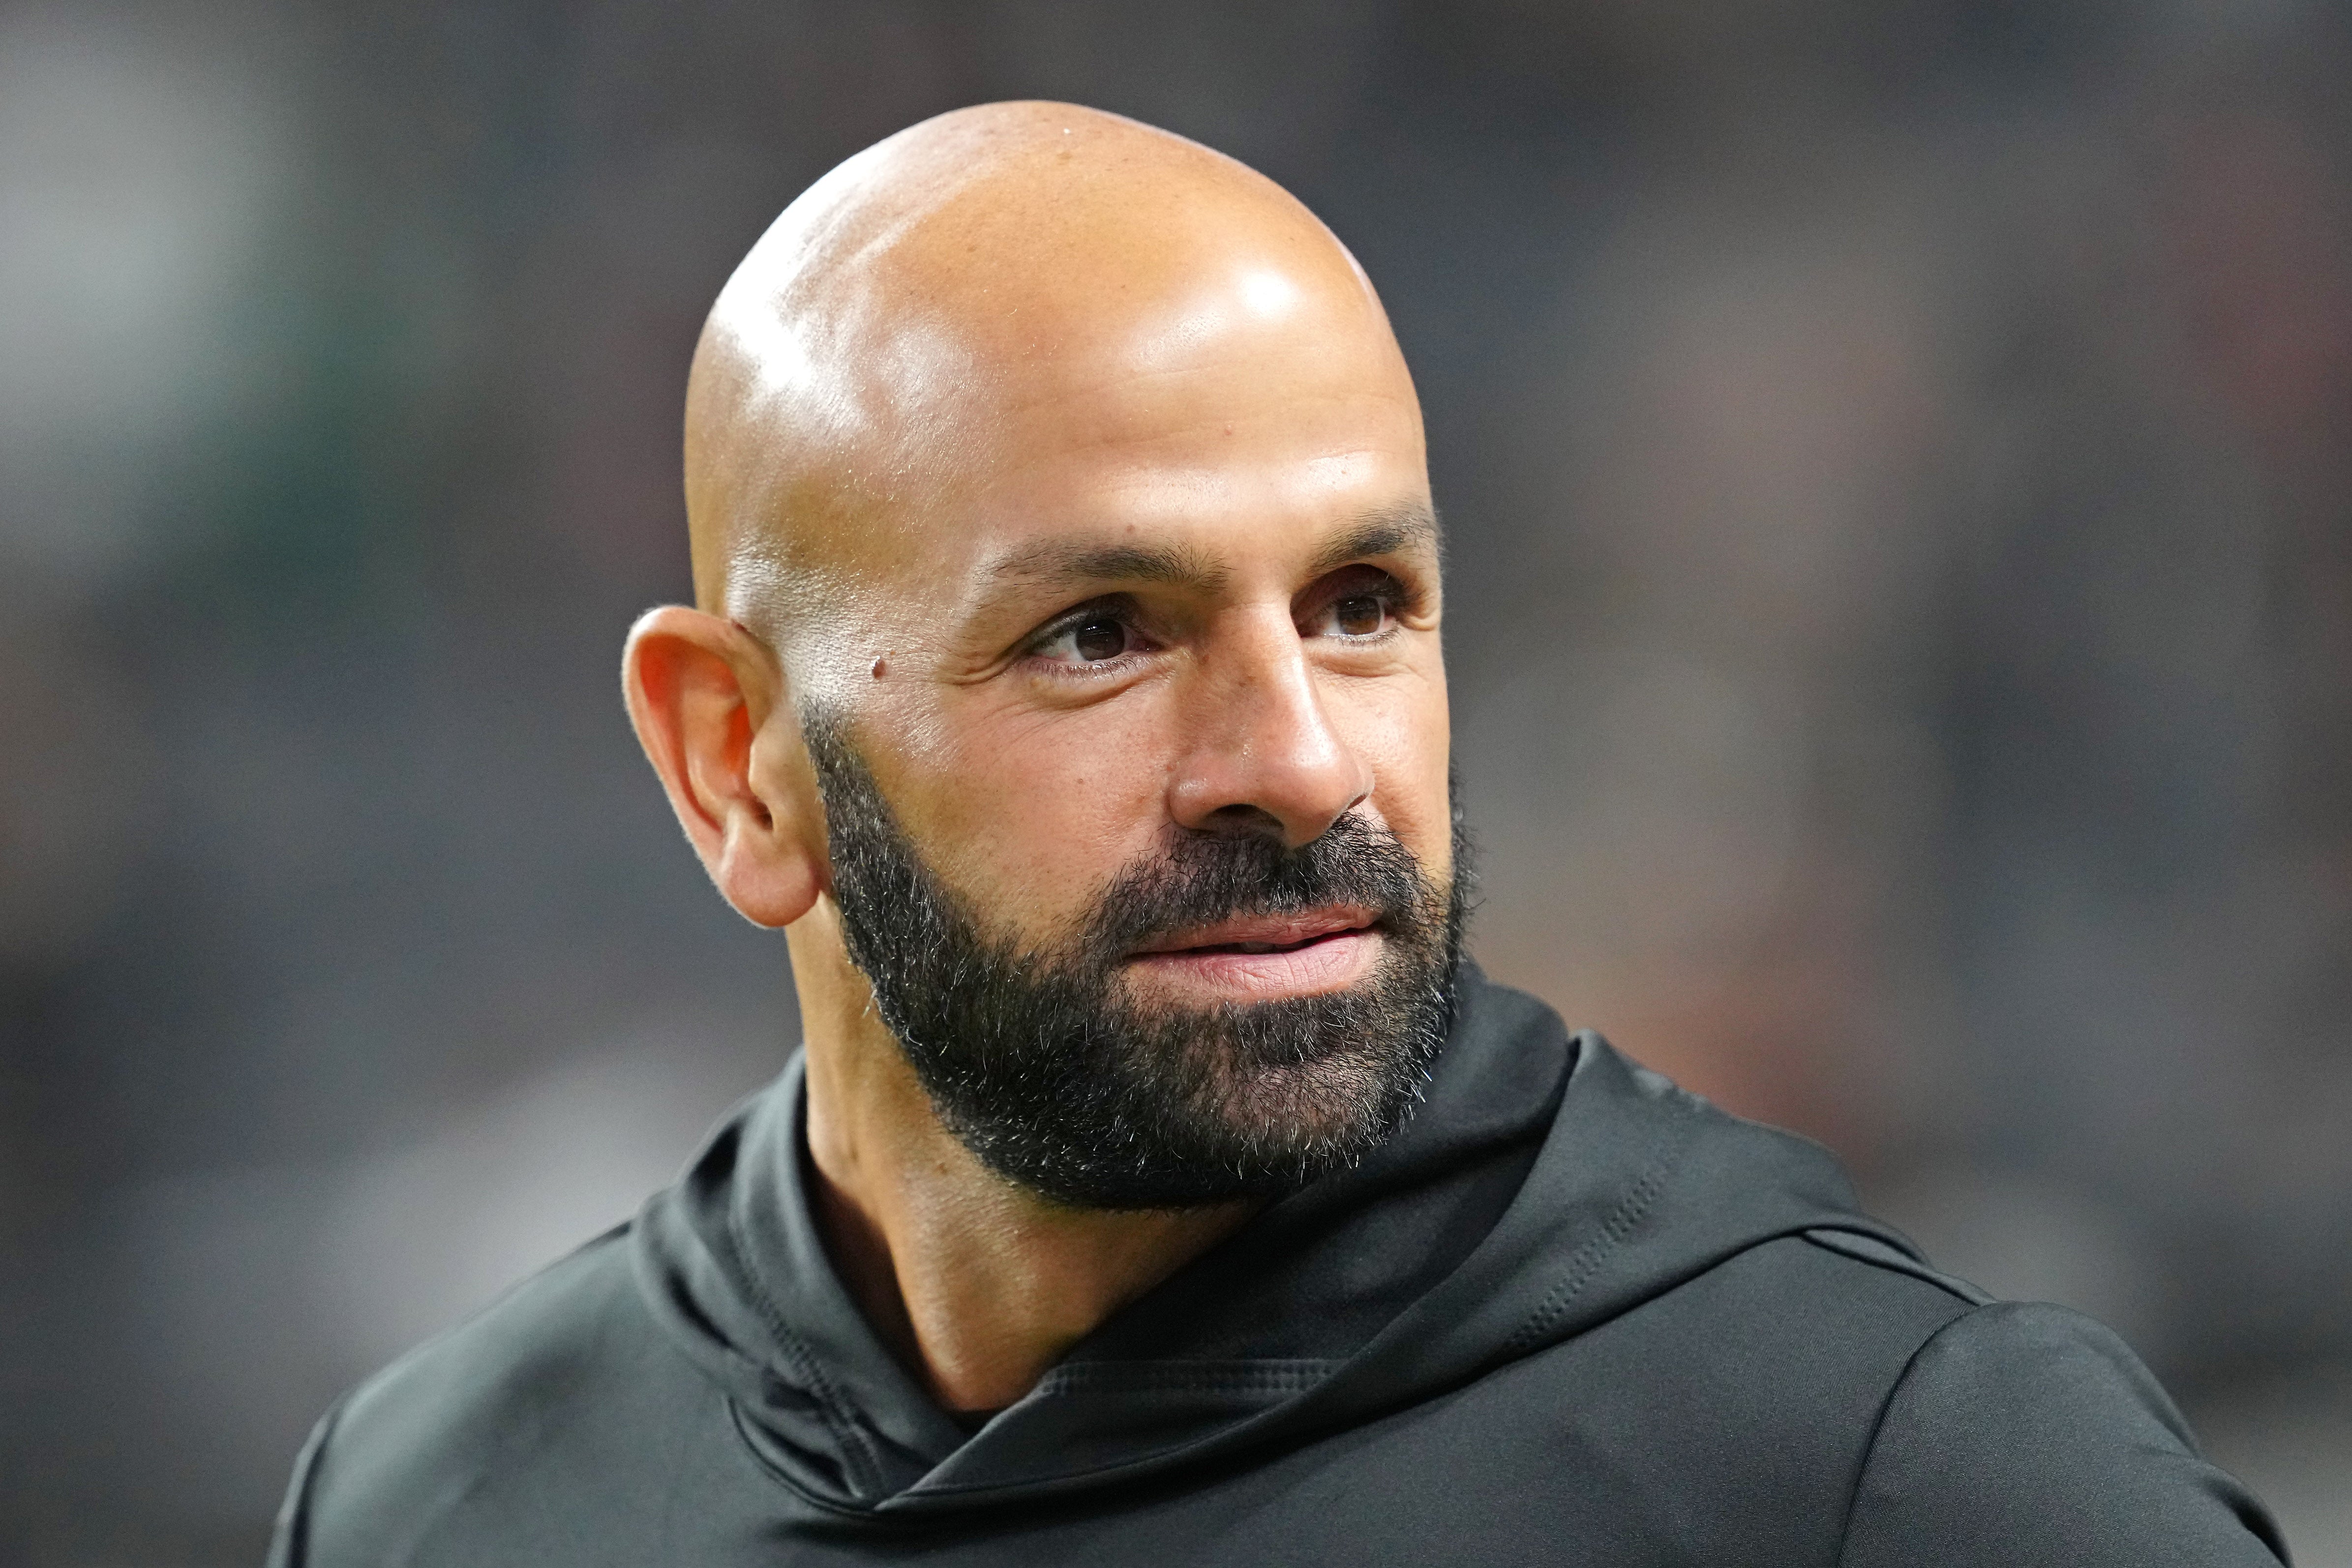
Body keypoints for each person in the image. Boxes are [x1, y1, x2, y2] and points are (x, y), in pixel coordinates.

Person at [268, 101, 2288, 1566]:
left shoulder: (1900, 1478)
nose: (1302, 764)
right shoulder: (436, 1501)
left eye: (1358, 604)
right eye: (1099, 633)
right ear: (734, 760)